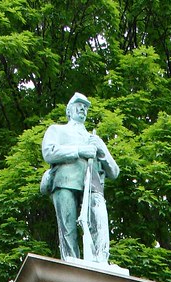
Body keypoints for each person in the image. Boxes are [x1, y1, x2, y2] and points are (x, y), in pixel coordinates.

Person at [41, 92, 120, 263]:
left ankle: (101, 261)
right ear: (69, 110)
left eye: (85, 107)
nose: (83, 109)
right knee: (67, 229)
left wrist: (102, 150)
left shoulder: (94, 139)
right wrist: (79, 151)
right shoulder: (57, 130)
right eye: (78, 106)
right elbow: (49, 152)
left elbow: (114, 172)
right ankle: (70, 263)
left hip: (92, 185)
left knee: (99, 221)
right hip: (64, 181)